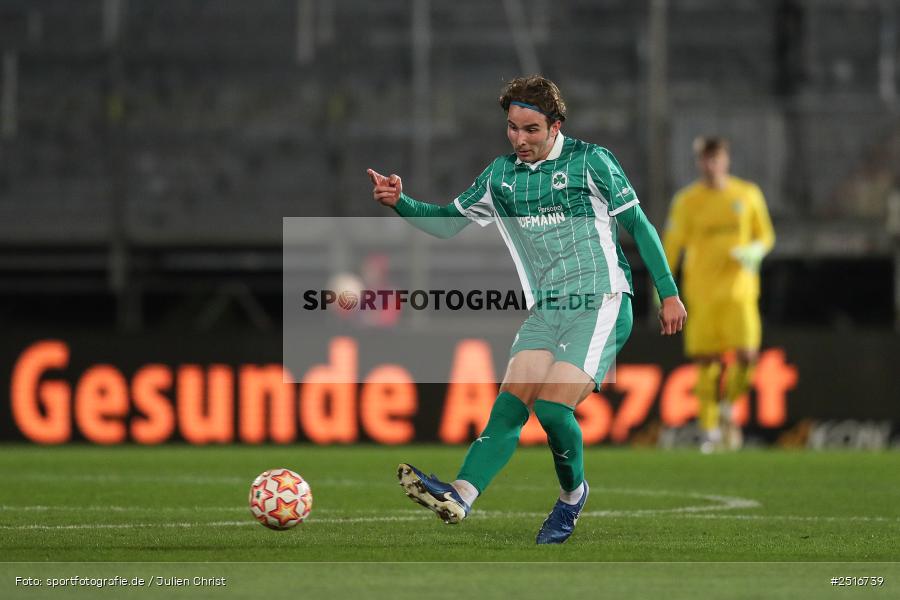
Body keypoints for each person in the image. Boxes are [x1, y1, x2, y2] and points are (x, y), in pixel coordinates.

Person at [366, 75, 686, 544]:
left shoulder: (590, 162)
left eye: (531, 129)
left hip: (600, 302)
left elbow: (639, 224)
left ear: (555, 126)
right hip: (546, 309)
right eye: (513, 128)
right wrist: (401, 202)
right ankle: (460, 493)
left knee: (554, 413)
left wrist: (669, 291)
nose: (520, 139)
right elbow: (448, 224)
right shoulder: (501, 176)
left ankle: (572, 497)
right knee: (510, 407)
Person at [663, 137, 775, 453]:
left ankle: (729, 406)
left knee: (748, 356)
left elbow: (765, 235)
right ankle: (710, 431)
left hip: (740, 292)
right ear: (699, 162)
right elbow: (671, 247)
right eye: (705, 159)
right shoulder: (687, 201)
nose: (711, 165)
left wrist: (756, 249)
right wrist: (664, 288)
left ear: (726, 160)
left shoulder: (748, 194)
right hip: (701, 294)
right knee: (707, 364)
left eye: (716, 159)